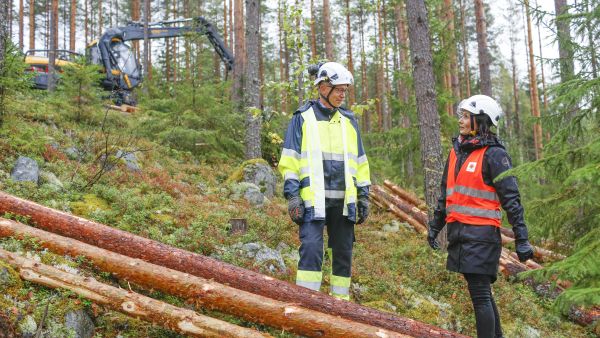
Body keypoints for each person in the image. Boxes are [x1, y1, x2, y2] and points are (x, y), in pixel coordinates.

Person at [427, 94, 535, 338]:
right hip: (460, 233)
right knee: (480, 292)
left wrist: (522, 238)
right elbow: (446, 194)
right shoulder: (457, 152)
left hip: (482, 235)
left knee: (480, 293)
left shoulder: (494, 154)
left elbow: (512, 199)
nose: (461, 121)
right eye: (461, 116)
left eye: (466, 117)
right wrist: (435, 226)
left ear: (481, 121)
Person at [278, 62, 371, 300]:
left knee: (343, 255)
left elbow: (360, 162)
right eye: (338, 88)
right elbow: (290, 161)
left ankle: (341, 308)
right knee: (310, 252)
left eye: (345, 90)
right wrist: (293, 196)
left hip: (344, 203)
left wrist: (363, 195)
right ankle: (307, 307)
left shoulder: (349, 121)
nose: (342, 94)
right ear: (322, 87)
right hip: (312, 202)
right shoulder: (302, 118)